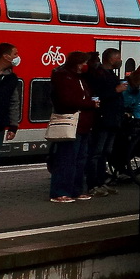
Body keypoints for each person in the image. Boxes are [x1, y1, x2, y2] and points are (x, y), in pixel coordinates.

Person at [49, 51, 98, 203]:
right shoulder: (64, 77)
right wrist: (90, 103)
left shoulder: (79, 78)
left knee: (79, 159)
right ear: (77, 64)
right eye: (84, 63)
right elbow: (66, 100)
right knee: (67, 159)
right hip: (72, 123)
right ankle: (60, 191)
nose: (86, 66)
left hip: (82, 124)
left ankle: (76, 190)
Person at [0, 43, 22, 215]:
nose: (17, 56)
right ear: (6, 56)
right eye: (15, 53)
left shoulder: (11, 79)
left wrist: (13, 125)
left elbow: (14, 103)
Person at [87, 48, 127, 196]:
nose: (120, 61)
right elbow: (97, 96)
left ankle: (101, 181)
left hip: (113, 119)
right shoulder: (100, 75)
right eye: (118, 58)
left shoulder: (110, 74)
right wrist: (116, 90)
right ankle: (93, 184)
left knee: (105, 152)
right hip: (103, 118)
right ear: (111, 59)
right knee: (97, 152)